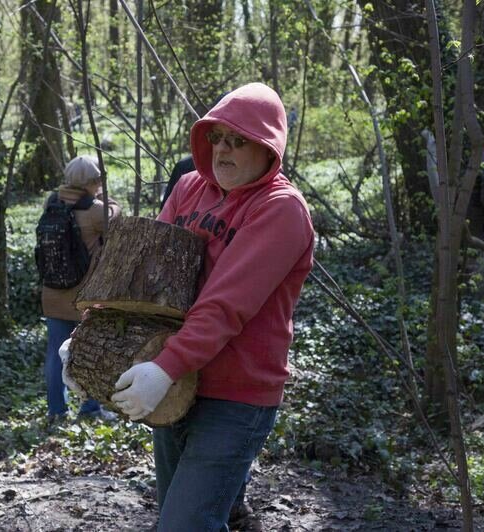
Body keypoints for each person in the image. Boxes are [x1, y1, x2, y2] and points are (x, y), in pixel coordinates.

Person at [111, 83, 315, 531]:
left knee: (183, 526)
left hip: (234, 396)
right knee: (184, 517)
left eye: (238, 141)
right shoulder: (189, 188)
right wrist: (93, 333)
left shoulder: (281, 210)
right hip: (177, 387)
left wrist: (163, 367)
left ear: (268, 149)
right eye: (217, 137)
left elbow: (225, 305)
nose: (222, 150)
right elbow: (144, 277)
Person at [42, 155, 120, 424]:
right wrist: (113, 204)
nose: (99, 185)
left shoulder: (51, 203)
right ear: (90, 183)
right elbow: (116, 222)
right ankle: (90, 409)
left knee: (55, 353)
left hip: (52, 292)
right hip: (84, 295)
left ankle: (56, 412)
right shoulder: (96, 210)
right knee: (89, 350)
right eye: (97, 180)